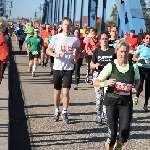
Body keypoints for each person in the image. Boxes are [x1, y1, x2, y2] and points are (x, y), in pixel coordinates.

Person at [94, 39, 140, 150]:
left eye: (125, 51)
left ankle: (118, 147)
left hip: (126, 102)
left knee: (124, 134)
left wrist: (135, 88)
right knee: (112, 134)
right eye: (121, 51)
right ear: (116, 51)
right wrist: (106, 83)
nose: (123, 54)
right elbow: (96, 82)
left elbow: (138, 81)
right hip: (111, 101)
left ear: (128, 52)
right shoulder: (111, 66)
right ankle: (109, 146)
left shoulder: (133, 66)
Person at [46, 17, 80, 124]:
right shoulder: (56, 38)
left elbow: (78, 49)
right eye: (65, 24)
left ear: (71, 26)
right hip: (57, 67)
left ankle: (64, 112)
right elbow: (48, 50)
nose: (67, 26)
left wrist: (76, 57)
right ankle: (56, 110)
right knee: (57, 91)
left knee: (66, 92)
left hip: (68, 68)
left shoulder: (74, 39)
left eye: (69, 25)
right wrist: (54, 54)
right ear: (61, 25)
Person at [90, 32, 116, 126]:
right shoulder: (97, 51)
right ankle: (99, 116)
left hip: (109, 77)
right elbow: (91, 65)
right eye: (103, 39)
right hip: (98, 76)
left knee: (107, 97)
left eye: (106, 39)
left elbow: (117, 63)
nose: (104, 40)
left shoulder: (113, 51)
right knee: (99, 98)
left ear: (108, 39)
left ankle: (106, 116)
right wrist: (95, 65)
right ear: (100, 40)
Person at [132, 32, 150, 111]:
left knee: (148, 88)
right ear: (143, 39)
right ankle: (137, 95)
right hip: (140, 69)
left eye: (149, 38)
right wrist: (140, 60)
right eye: (146, 38)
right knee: (140, 87)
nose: (148, 40)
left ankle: (146, 104)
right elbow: (134, 58)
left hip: (148, 70)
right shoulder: (140, 47)